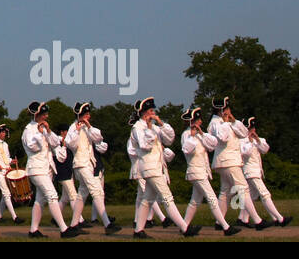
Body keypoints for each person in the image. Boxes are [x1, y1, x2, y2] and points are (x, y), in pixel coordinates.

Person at [130, 97, 198, 238]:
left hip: (156, 167)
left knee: (147, 200)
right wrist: (149, 128)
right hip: (149, 167)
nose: (153, 113)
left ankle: (138, 230)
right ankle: (185, 229)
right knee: (167, 198)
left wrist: (161, 123)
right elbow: (145, 145)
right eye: (150, 111)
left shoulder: (154, 127)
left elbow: (169, 139)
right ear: (144, 113)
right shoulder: (138, 127)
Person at [208, 97, 268, 230]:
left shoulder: (228, 122)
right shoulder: (215, 123)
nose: (229, 111)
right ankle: (258, 221)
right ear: (221, 110)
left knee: (225, 192)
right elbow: (223, 138)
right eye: (227, 109)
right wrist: (225, 122)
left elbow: (244, 133)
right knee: (243, 188)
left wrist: (233, 121)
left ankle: (219, 222)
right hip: (227, 161)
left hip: (229, 161)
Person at [22, 102, 78, 238]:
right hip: (36, 168)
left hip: (46, 168)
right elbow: (34, 147)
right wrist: (40, 134)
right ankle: (64, 229)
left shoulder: (43, 127)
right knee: (52, 196)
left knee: (40, 200)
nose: (46, 116)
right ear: (37, 115)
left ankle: (33, 230)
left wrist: (48, 131)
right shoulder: (29, 130)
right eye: (43, 114)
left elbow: (54, 143)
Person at [180, 107, 239, 235]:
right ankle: (226, 227)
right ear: (193, 121)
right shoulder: (186, 134)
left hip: (202, 172)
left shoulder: (199, 134)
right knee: (212, 198)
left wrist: (201, 134)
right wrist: (192, 136)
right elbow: (186, 150)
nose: (201, 121)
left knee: (195, 201)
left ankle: (184, 226)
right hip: (195, 172)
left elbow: (212, 144)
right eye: (198, 120)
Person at [65, 102, 118, 233]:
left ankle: (73, 226)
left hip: (88, 164)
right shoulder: (73, 127)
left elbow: (98, 138)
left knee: (82, 194)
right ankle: (107, 224)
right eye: (86, 114)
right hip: (80, 164)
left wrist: (88, 126)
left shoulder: (88, 127)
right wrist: (77, 130)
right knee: (97, 191)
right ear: (80, 115)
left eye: (89, 114)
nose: (88, 116)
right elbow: (70, 144)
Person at [239, 117, 293, 227]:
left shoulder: (258, 140)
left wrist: (257, 140)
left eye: (253, 128)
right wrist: (250, 141)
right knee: (265, 194)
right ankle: (279, 219)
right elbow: (246, 153)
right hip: (250, 172)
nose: (252, 130)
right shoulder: (241, 141)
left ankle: (243, 218)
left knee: (251, 196)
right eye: (250, 128)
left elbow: (265, 149)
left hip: (256, 172)